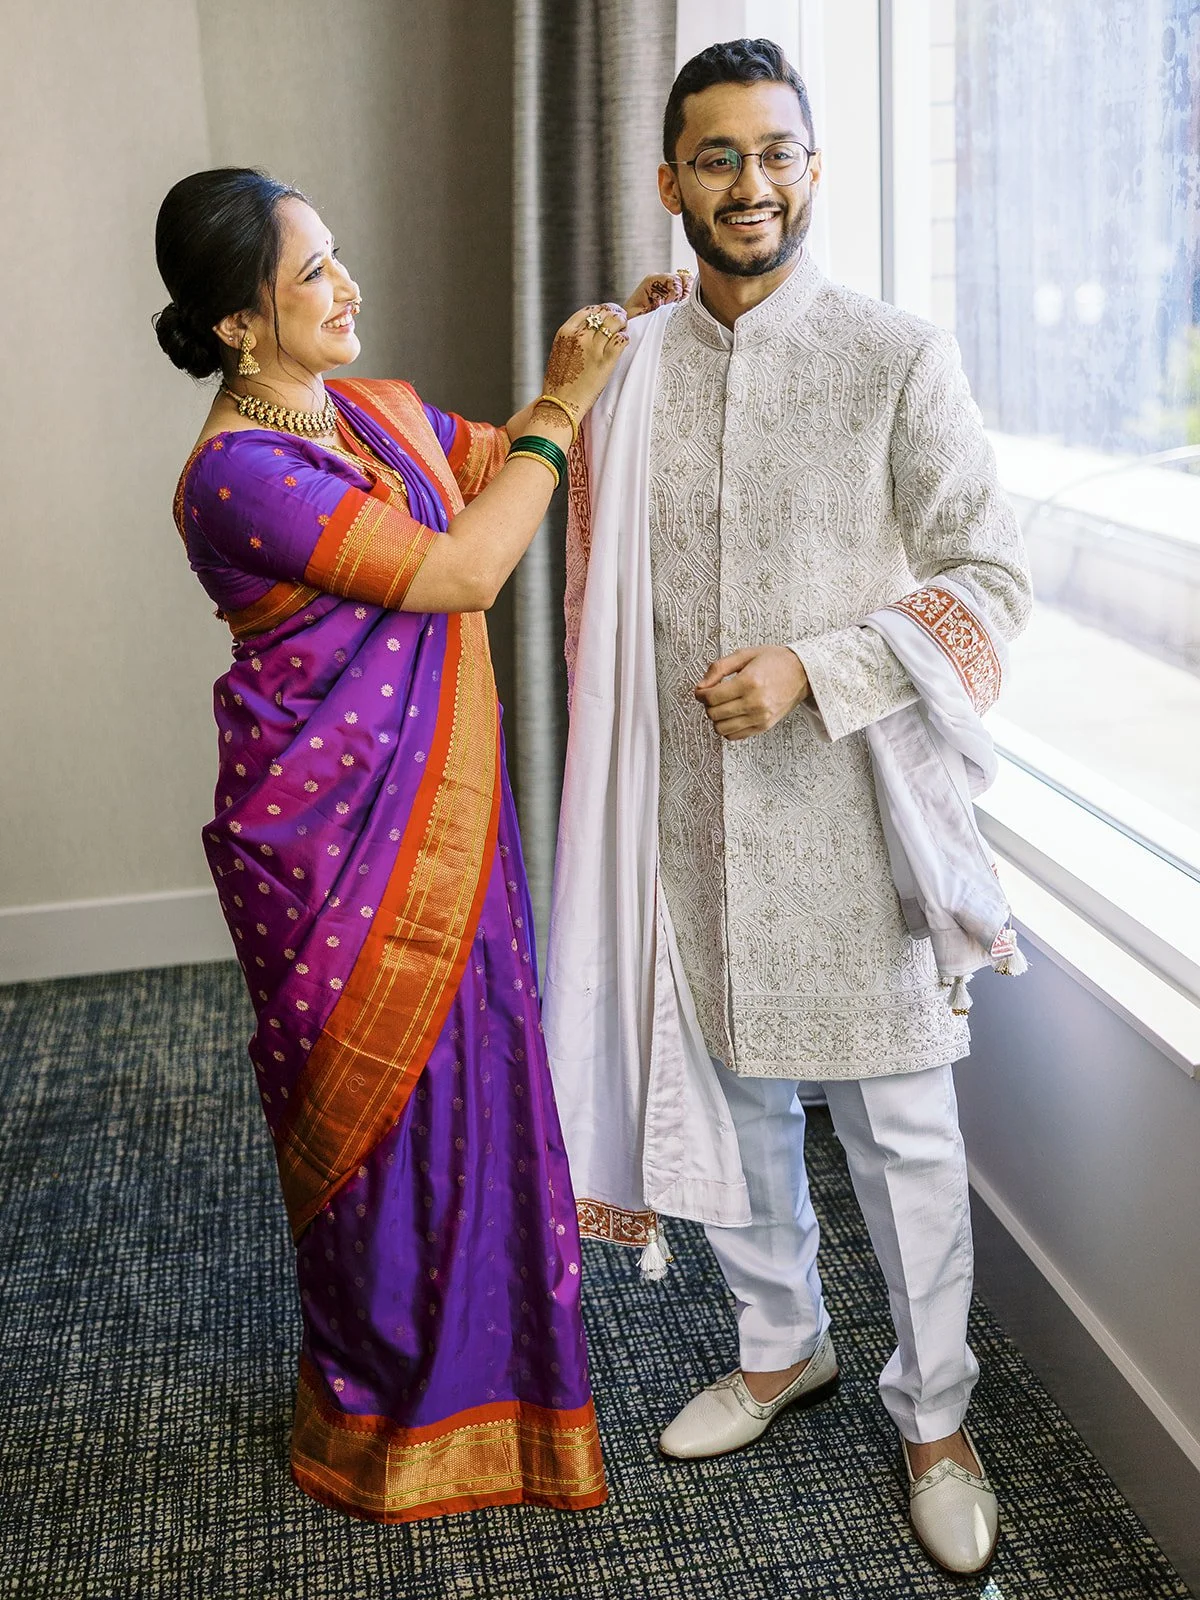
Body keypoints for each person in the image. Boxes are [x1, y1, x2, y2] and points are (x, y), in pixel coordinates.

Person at [544, 40, 1032, 1576]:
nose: (750, 184)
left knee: (903, 1133)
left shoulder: (896, 354)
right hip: (682, 811)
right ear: (670, 176)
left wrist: (822, 669)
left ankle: (937, 1421)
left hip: (850, 814)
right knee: (734, 1098)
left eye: (777, 153)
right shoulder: (626, 365)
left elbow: (994, 585)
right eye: (716, 156)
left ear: (814, 167)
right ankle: (781, 1346)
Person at [154, 166, 681, 1524]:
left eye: (339, 257)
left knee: (476, 1096)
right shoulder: (239, 474)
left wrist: (617, 343)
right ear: (235, 324)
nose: (348, 288)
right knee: (384, 1132)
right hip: (334, 854)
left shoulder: (372, 416)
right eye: (312, 273)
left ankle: (501, 1388)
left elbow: (507, 461)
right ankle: (389, 1419)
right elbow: (462, 569)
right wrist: (562, 409)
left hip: (441, 824)